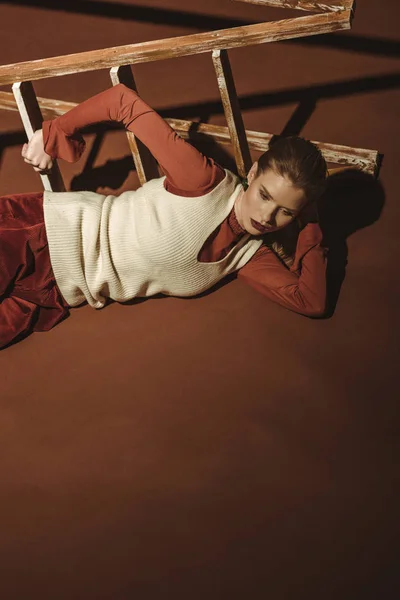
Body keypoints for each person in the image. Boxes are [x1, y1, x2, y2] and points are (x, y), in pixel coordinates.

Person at [0, 83, 328, 349]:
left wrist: (310, 221)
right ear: (254, 173)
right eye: (265, 195)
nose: (267, 216)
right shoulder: (202, 180)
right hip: (39, 233)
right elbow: (121, 101)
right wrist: (54, 133)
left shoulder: (248, 257)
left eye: (285, 211)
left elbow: (310, 301)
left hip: (52, 296)